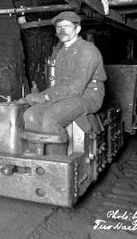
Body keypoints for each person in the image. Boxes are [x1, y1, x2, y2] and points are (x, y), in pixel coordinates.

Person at [22, 11, 106, 156]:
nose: (62, 30)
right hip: (69, 95)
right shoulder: (61, 53)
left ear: (77, 29)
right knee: (31, 114)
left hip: (89, 95)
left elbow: (76, 87)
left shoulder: (87, 50)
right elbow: (58, 85)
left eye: (67, 26)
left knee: (52, 116)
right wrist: (41, 95)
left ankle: (56, 162)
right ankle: (36, 156)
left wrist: (45, 98)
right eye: (59, 27)